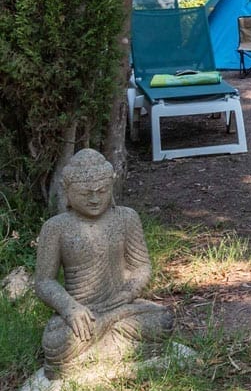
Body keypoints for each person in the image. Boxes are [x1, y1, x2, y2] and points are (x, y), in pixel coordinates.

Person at [33, 149, 172, 379]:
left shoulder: (126, 218)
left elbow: (141, 267)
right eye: (85, 193)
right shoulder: (55, 227)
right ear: (68, 192)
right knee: (55, 342)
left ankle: (92, 353)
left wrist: (128, 293)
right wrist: (70, 308)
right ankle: (115, 347)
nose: (95, 199)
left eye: (102, 191)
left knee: (163, 319)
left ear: (111, 188)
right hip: (83, 313)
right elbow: (44, 282)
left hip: (122, 306)